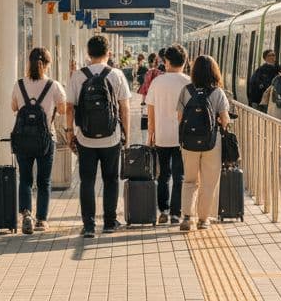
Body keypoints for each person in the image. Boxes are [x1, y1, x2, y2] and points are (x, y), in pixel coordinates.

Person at [66, 34, 133, 238]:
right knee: (111, 179)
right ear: (108, 53)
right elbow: (125, 108)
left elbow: (69, 108)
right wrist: (126, 135)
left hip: (85, 137)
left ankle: (88, 226)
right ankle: (110, 223)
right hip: (111, 137)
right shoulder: (117, 75)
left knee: (86, 180)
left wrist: (70, 133)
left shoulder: (77, 76)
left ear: (88, 53)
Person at [10, 46, 67, 234]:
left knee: (25, 178)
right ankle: (41, 220)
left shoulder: (19, 84)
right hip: (45, 139)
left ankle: (26, 214)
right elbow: (62, 110)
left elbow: (14, 107)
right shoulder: (54, 85)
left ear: (29, 63)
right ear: (48, 64)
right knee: (44, 181)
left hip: (23, 139)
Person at [177, 54, 231, 231]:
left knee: (189, 180)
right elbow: (224, 120)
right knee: (208, 182)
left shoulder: (186, 91)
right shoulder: (218, 93)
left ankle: (186, 217)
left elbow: (179, 117)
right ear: (214, 72)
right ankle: (203, 220)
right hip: (211, 143)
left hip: (189, 143)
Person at [146, 45, 190, 225]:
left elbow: (151, 110)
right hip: (184, 137)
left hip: (162, 136)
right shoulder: (188, 82)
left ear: (167, 61)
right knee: (180, 176)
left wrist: (150, 134)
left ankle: (162, 211)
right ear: (185, 61)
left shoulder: (158, 82)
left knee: (163, 174)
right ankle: (175, 214)